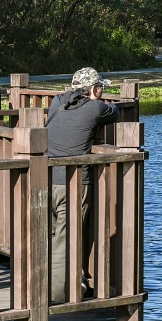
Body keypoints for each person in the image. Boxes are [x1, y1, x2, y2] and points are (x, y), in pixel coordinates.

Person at [46, 67, 120, 303]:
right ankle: (56, 296)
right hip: (74, 184)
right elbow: (115, 112)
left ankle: (62, 282)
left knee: (52, 234)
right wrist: (98, 101)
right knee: (66, 238)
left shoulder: (56, 102)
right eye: (101, 87)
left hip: (45, 179)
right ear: (93, 90)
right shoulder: (95, 107)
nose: (102, 91)